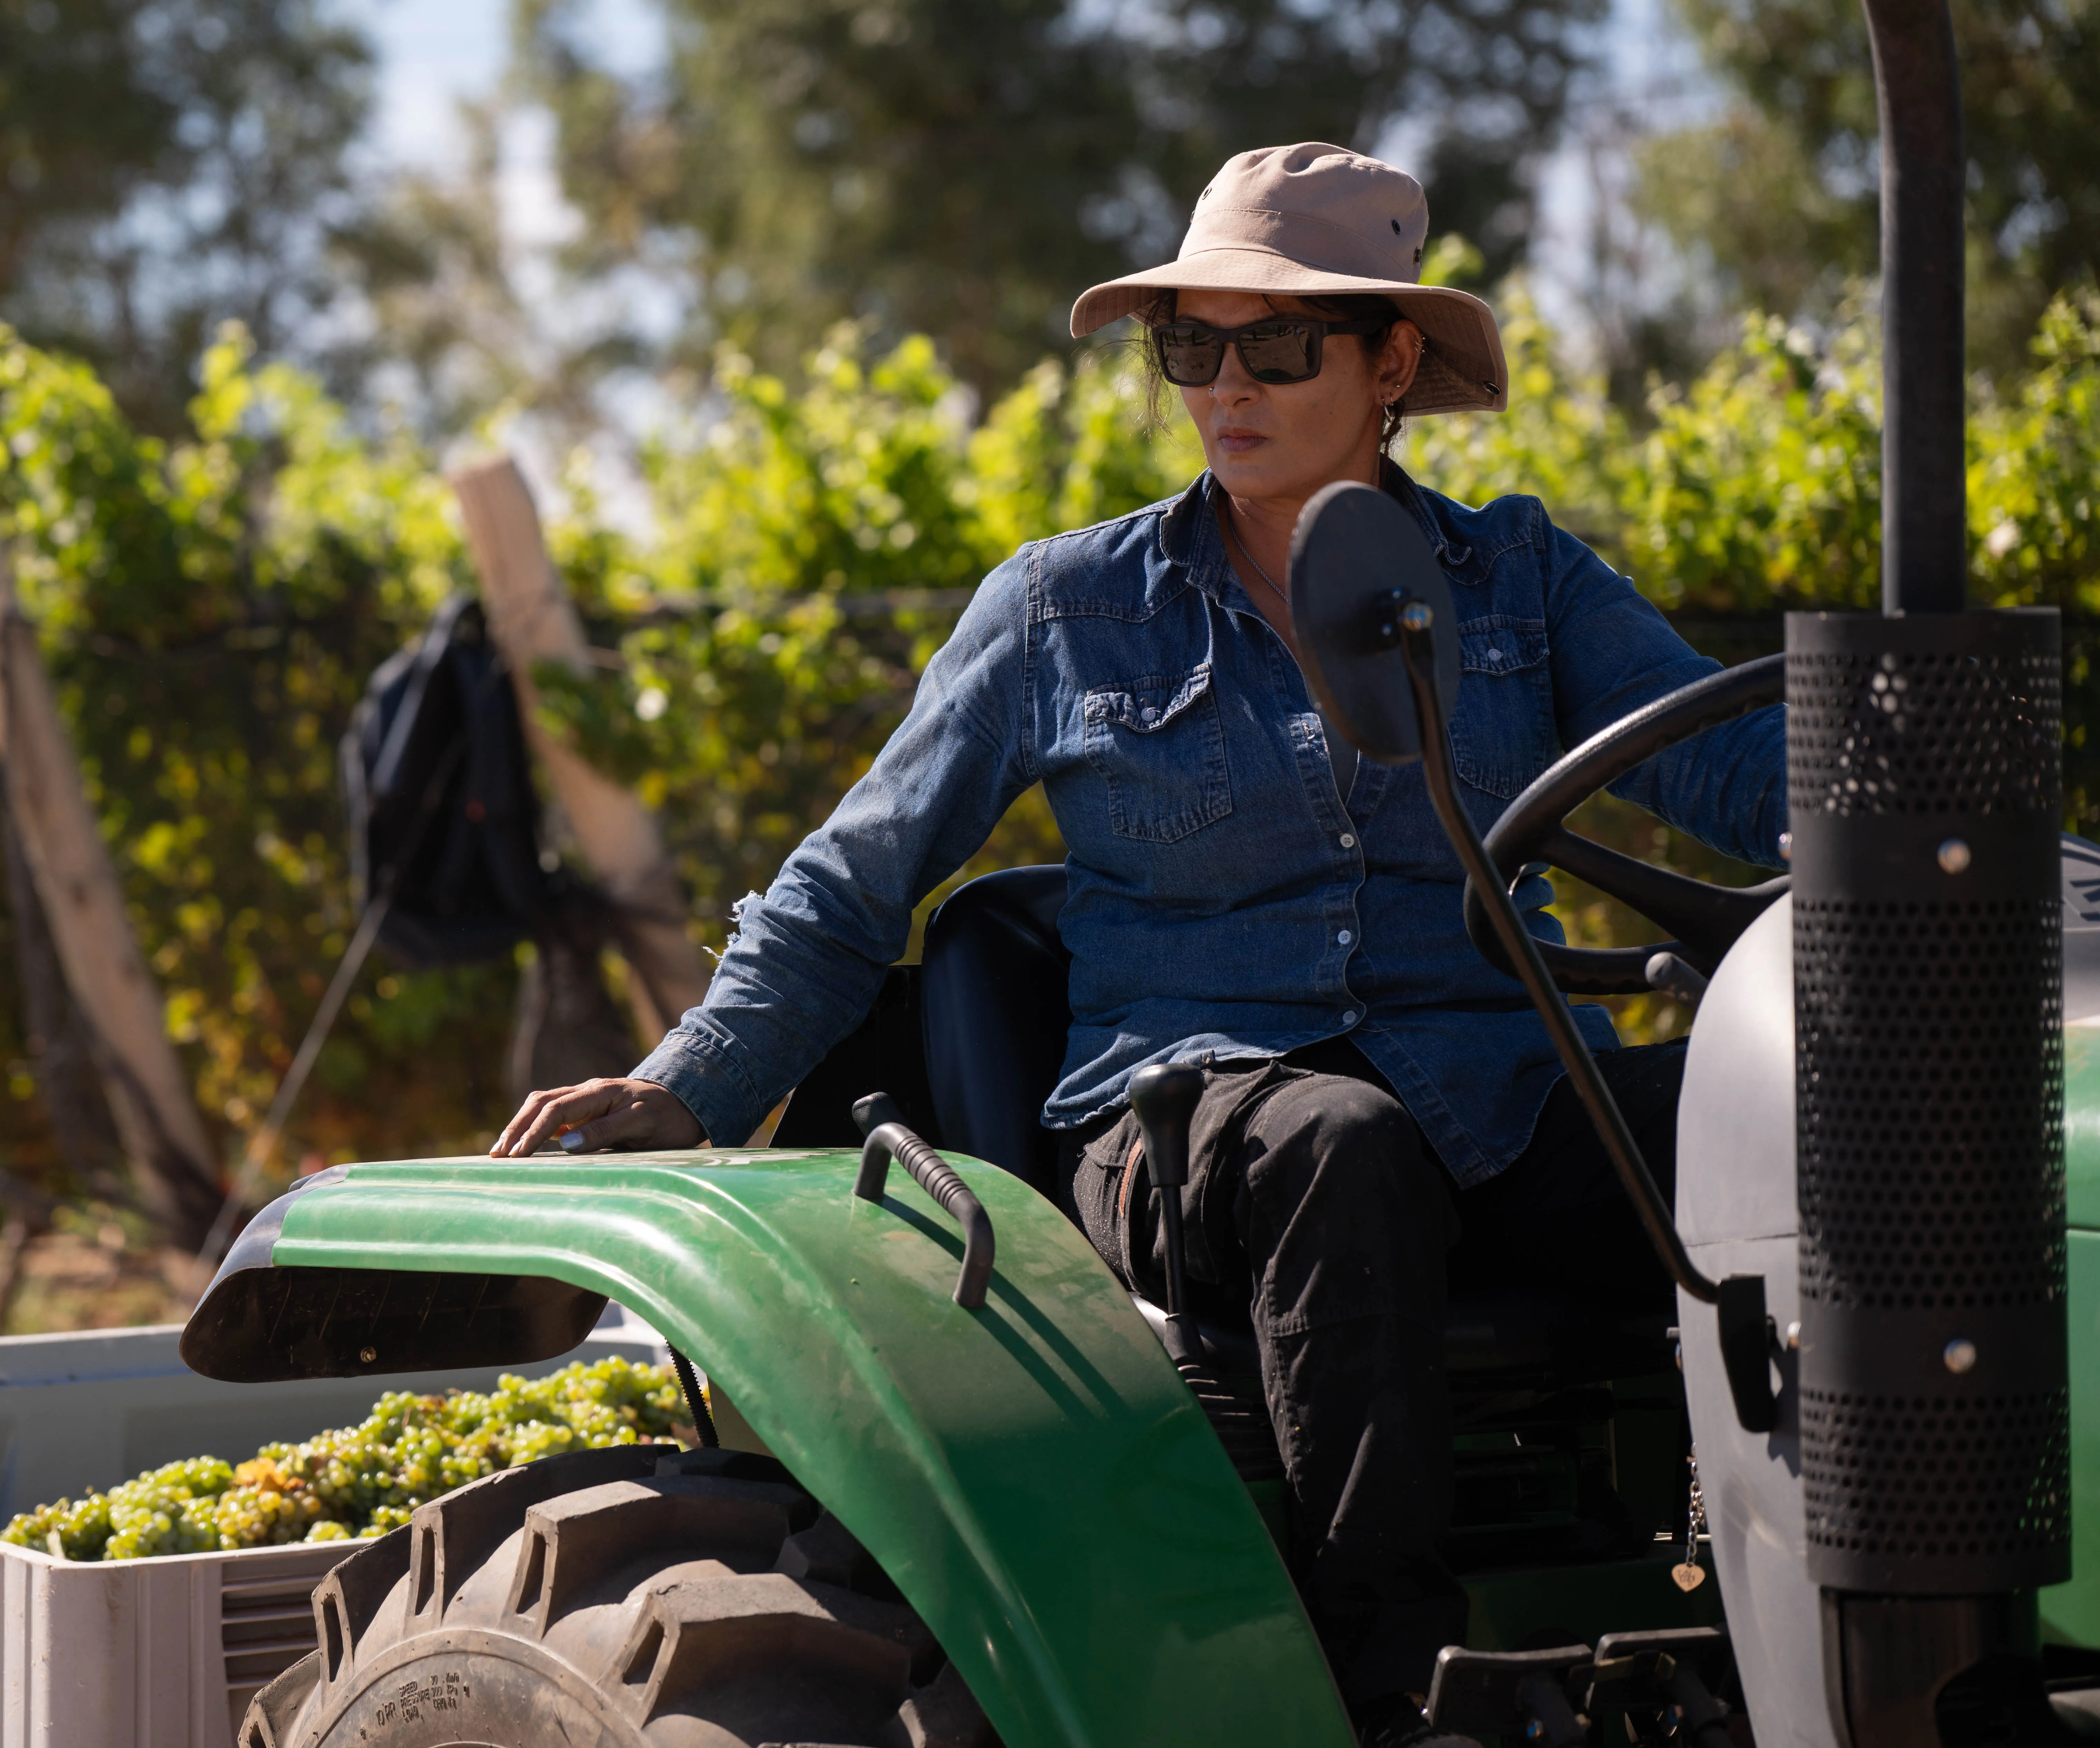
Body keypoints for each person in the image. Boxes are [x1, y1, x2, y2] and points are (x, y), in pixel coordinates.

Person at [488, 142, 1786, 1747]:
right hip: (1196, 1113)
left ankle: (1806, 1617)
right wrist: (687, 1083)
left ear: (1391, 364)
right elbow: (855, 879)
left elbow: (1739, 770)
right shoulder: (1069, 609)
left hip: (1507, 1092)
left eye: (1277, 343)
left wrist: (1963, 850)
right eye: (1194, 345)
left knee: (1779, 1117)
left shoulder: (1515, 579)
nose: (1223, 385)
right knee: (1343, 1141)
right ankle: (1387, 1684)